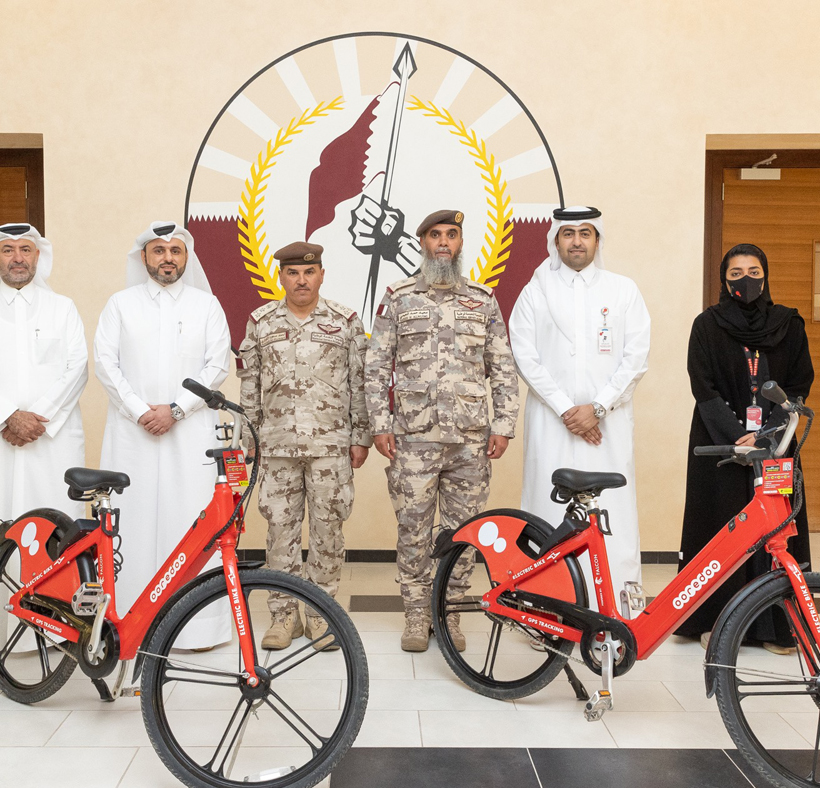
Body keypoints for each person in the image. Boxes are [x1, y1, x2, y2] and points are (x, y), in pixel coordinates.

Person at [366, 210, 519, 652]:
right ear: (423, 243)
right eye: (435, 235)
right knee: (413, 529)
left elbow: (503, 368)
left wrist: (503, 425)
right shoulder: (398, 298)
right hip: (413, 439)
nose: (444, 242)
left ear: (460, 242)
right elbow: (376, 366)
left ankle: (450, 612)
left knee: (464, 532)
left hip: (470, 441)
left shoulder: (482, 300)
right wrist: (380, 424)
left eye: (452, 234)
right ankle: (416, 614)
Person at [0, 223, 88, 655]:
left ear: (38, 256)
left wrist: (34, 418)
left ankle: (58, 627)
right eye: (8, 250)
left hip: (52, 440)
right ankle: (0, 631)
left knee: (57, 527)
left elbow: (77, 366)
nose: (18, 258)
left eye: (26, 249)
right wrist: (8, 417)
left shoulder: (61, 307)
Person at [94, 221, 232, 649]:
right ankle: (128, 623)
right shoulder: (120, 304)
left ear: (186, 258)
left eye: (175, 250)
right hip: (132, 435)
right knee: (130, 522)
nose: (167, 258)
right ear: (144, 258)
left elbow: (217, 364)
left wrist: (174, 410)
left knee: (190, 522)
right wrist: (140, 412)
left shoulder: (206, 305)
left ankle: (198, 630)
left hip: (188, 433)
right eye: (159, 250)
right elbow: (105, 364)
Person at [509, 206, 650, 613]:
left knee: (612, 514)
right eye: (568, 234)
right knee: (546, 511)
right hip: (552, 424)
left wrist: (599, 408)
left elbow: (636, 357)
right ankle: (544, 610)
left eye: (585, 233)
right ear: (555, 241)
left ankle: (616, 610)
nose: (576, 241)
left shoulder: (623, 290)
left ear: (597, 241)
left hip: (608, 427)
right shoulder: (536, 290)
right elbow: (524, 353)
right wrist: (568, 410)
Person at [676, 243, 813, 654]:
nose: (746, 280)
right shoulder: (707, 325)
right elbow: (703, 386)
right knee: (722, 529)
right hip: (719, 442)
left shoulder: (788, 323)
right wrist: (735, 436)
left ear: (766, 275)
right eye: (735, 274)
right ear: (723, 280)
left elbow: (799, 382)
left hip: (777, 442)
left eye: (753, 271)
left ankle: (775, 627)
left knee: (774, 529)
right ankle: (715, 619)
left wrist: (769, 434)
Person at [237, 242, 370, 651]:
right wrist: (249, 441)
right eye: (292, 273)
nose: (301, 280)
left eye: (308, 272)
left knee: (329, 529)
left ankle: (320, 614)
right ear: (281, 277)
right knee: (280, 531)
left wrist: (361, 436)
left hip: (330, 445)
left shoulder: (345, 321)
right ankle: (283, 615)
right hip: (276, 446)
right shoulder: (261, 322)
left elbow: (359, 383)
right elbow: (250, 387)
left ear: (322, 275)